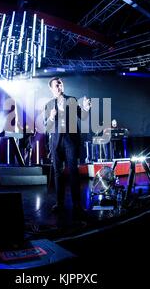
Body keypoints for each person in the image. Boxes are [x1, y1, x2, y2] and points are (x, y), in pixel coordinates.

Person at [45, 77, 91, 216]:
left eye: (61, 84)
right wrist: (52, 117)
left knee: (73, 172)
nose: (59, 86)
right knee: (58, 174)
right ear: (52, 88)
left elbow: (82, 116)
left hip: (71, 141)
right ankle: (60, 203)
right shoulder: (48, 105)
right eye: (57, 85)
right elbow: (47, 126)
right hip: (56, 143)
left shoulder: (72, 100)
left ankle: (77, 204)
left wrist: (87, 108)